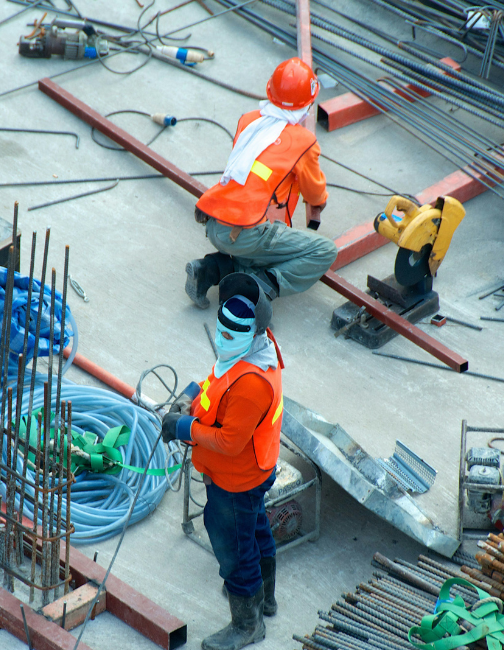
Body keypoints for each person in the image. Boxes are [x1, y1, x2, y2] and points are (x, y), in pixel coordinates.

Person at [161, 273, 284, 650]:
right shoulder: (252, 350)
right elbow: (217, 383)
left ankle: (247, 624)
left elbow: (230, 442)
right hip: (254, 471)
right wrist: (191, 397)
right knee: (256, 529)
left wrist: (185, 427)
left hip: (236, 478)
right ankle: (265, 600)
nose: (223, 339)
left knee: (234, 550)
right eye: (221, 330)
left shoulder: (251, 383)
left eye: (232, 334)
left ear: (254, 330)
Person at [185, 57, 337, 308]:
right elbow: (314, 193)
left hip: (214, 222)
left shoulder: (249, 120)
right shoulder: (303, 141)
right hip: (246, 232)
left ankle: (208, 270)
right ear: (308, 104)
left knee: (260, 246)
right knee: (324, 250)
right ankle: (259, 289)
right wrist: (319, 203)